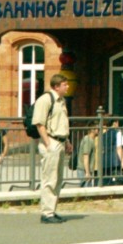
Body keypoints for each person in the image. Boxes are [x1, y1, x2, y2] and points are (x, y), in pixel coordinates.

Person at [33, 74, 72, 224]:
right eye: (64, 84)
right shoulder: (45, 100)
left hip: (60, 141)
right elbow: (39, 123)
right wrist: (48, 143)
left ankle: (52, 210)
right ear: (56, 86)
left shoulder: (61, 101)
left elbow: (61, 123)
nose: (67, 87)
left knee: (57, 179)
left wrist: (67, 142)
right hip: (51, 141)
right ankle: (46, 213)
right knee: (49, 178)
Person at [99, 116, 123, 185]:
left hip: (105, 161)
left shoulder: (103, 135)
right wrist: (122, 162)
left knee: (106, 182)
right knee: (116, 182)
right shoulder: (118, 133)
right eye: (117, 122)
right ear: (115, 123)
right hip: (115, 161)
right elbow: (119, 148)